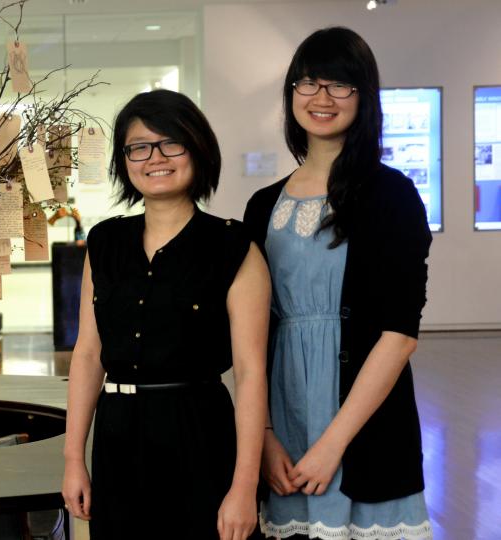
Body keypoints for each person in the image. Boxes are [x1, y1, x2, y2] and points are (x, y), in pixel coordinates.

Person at [243, 27, 433, 539]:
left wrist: (333, 445)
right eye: (308, 82)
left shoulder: (392, 195)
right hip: (283, 413)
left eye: (339, 85)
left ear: (364, 98)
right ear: (290, 95)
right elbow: (250, 335)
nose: (321, 98)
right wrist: (262, 437)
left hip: (361, 423)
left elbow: (399, 334)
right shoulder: (262, 206)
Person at [62, 89, 270, 540]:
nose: (154, 157)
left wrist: (244, 485)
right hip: (117, 438)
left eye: (170, 143)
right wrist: (74, 459)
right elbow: (88, 354)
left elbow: (252, 373)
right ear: (125, 159)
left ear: (197, 149)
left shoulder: (233, 247)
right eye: (139, 146)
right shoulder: (105, 242)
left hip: (199, 435)